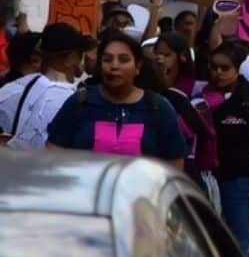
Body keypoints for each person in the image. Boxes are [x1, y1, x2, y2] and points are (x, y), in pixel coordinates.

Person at [46, 32, 186, 167]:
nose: (114, 66)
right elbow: (52, 156)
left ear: (138, 66)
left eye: (123, 60)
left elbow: (174, 166)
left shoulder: (159, 108)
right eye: (107, 60)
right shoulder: (80, 102)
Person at [203, 42, 249, 256]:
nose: (218, 73)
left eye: (225, 68)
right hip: (206, 177)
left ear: (237, 69)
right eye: (214, 67)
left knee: (238, 240)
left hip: (240, 180)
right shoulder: (199, 97)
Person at [0, 24, 88, 149]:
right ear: (70, 57)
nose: (83, 59)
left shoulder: (12, 89)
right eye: (81, 53)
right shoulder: (71, 98)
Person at [153, 32, 215, 189]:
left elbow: (202, 127)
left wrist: (169, 91)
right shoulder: (147, 92)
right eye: (157, 54)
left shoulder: (198, 90)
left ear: (182, 57)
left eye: (166, 55)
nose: (160, 60)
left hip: (190, 170)